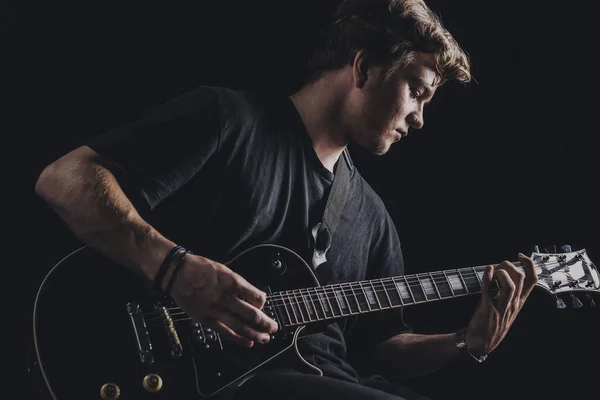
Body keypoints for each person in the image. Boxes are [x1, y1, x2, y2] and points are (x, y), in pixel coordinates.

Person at [34, 0, 538, 399]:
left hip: (329, 382)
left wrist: (463, 344)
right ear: (363, 68)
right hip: (208, 380)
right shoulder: (229, 122)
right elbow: (64, 178)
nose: (420, 119)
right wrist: (172, 269)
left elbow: (379, 348)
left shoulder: (372, 218)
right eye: (418, 91)